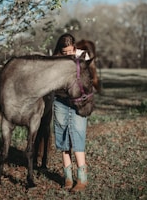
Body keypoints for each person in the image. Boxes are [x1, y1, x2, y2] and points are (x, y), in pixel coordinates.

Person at [53, 33, 91, 192]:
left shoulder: (83, 56)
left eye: (70, 51)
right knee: (63, 138)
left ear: (74, 46)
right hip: (60, 102)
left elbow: (87, 78)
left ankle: (82, 178)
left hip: (78, 103)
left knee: (78, 135)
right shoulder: (55, 59)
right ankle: (68, 178)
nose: (68, 54)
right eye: (64, 52)